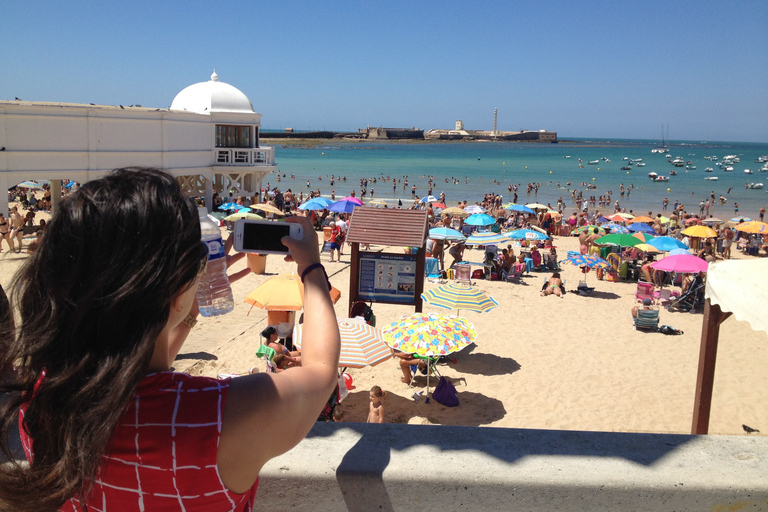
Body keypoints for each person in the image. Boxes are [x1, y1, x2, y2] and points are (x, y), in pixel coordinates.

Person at [0, 168, 341, 511]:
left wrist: (187, 310)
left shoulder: (40, 396)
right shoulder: (220, 416)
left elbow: (132, 366)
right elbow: (322, 369)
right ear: (177, 289)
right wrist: (311, 267)